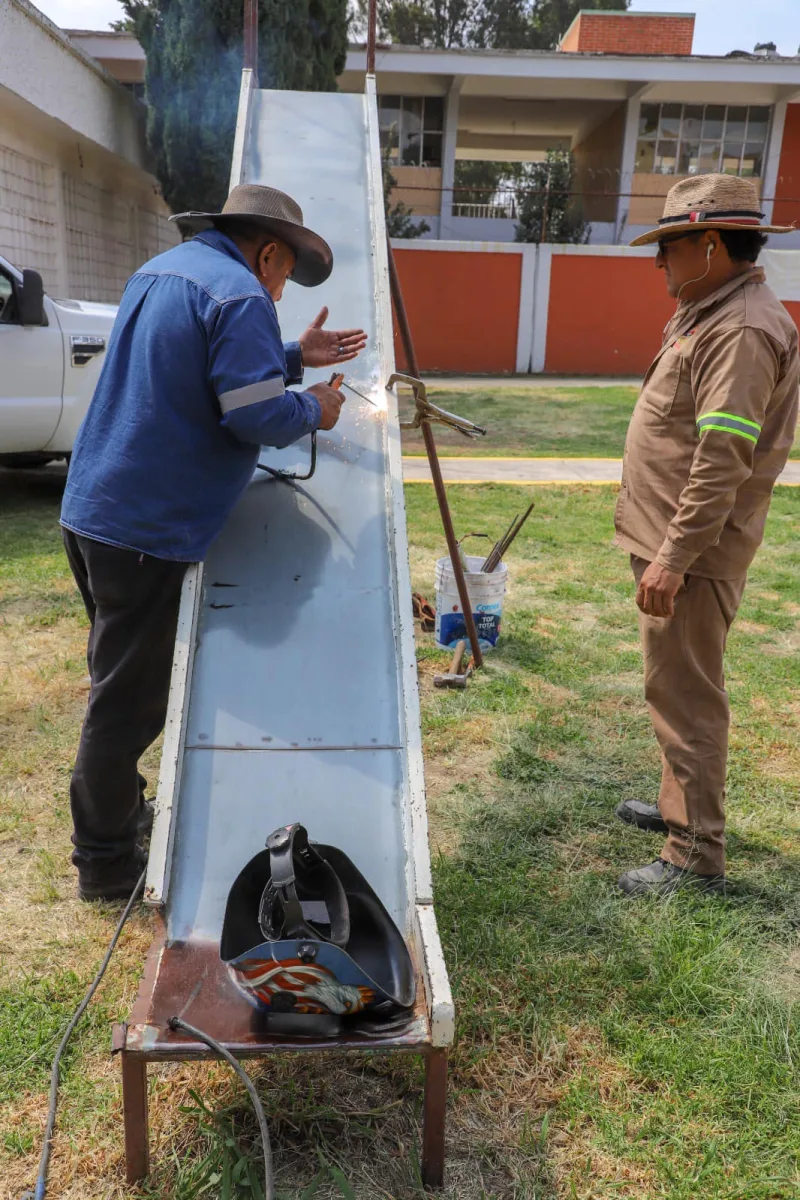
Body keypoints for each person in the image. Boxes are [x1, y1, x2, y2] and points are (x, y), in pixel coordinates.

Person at [60, 184, 367, 902]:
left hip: (92, 512)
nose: (282, 289)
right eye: (285, 273)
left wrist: (293, 354)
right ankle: (105, 866)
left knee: (118, 683)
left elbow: (194, 371)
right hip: (145, 530)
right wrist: (314, 408)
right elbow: (251, 415)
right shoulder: (242, 295)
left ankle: (124, 816)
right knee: (127, 706)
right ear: (267, 252)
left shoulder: (164, 272)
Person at [613, 174, 798, 897]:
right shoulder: (710, 308)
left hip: (691, 553)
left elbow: (722, 459)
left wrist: (672, 557)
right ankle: (676, 810)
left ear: (710, 245)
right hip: (674, 545)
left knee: (687, 694)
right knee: (674, 684)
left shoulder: (743, 329)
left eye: (670, 247)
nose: (660, 263)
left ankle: (694, 854)